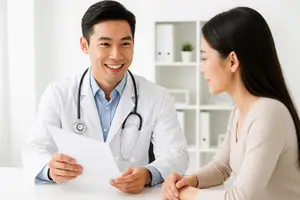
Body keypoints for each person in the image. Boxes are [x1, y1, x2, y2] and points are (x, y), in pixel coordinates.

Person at [23, 0, 189, 194]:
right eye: (105, 44)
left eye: (125, 44)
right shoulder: (58, 94)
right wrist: (50, 170)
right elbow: (35, 148)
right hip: (77, 194)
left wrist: (147, 174)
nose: (116, 55)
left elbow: (176, 154)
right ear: (85, 45)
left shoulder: (157, 97)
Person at [161, 6, 300, 200]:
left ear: (232, 61)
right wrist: (188, 181)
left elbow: (240, 197)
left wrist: (188, 195)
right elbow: (222, 166)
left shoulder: (269, 113)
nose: (201, 68)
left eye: (204, 58)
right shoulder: (239, 111)